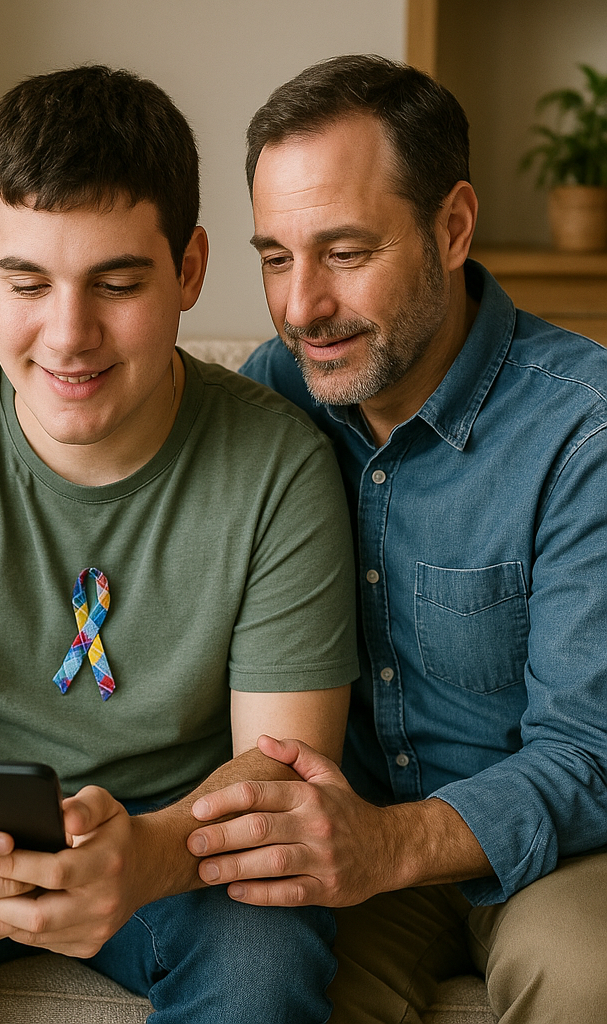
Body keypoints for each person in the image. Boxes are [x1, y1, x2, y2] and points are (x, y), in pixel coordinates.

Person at [0, 65, 359, 1023]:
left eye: (117, 284)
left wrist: (153, 855)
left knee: (268, 945)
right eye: (28, 283)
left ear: (191, 270)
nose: (69, 336)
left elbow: (280, 774)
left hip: (178, 849)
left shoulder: (281, 465)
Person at [185, 53, 607, 1024]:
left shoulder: (583, 430)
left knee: (586, 976)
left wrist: (384, 844)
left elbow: (589, 749)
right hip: (350, 853)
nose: (301, 308)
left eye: (343, 252)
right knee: (265, 975)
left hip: (561, 853)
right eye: (275, 258)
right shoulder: (268, 397)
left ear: (452, 227)